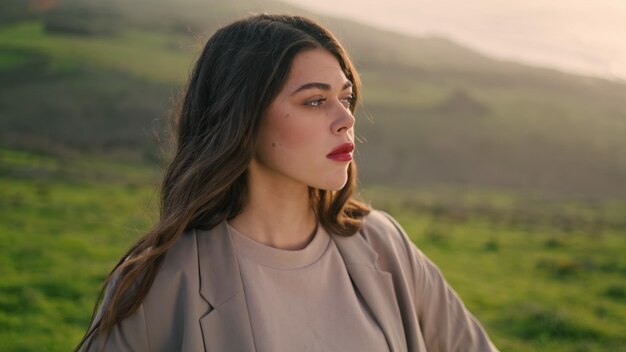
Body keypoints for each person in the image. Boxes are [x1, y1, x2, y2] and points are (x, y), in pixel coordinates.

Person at [76, 14, 499, 352]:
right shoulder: (162, 282)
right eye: (315, 101)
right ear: (242, 118)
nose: (346, 119)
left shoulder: (384, 244)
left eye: (345, 98)